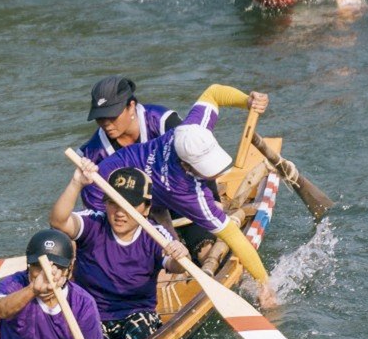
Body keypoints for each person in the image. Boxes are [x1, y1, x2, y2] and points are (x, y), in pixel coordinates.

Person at [97, 86, 281, 314]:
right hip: (110, 190)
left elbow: (213, 93)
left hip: (138, 179)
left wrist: (247, 101)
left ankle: (164, 222)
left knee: (197, 240)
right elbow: (233, 236)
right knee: (121, 246)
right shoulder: (186, 192)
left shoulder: (190, 129)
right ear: (186, 167)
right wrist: (264, 284)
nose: (214, 175)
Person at [53, 84, 254, 238]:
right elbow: (95, 204)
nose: (106, 122)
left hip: (178, 194)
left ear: (131, 107)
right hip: (129, 211)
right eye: (100, 118)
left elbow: (196, 158)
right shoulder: (91, 153)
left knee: (202, 241)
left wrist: (215, 201)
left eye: (112, 115)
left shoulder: (162, 120)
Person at [59, 164, 170, 339]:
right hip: (91, 315)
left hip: (137, 315)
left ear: (146, 208)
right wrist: (75, 183)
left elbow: (176, 265)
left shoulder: (155, 235)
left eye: (129, 206)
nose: (119, 213)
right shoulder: (93, 223)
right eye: (113, 203)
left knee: (141, 327)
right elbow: (59, 221)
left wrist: (179, 255)